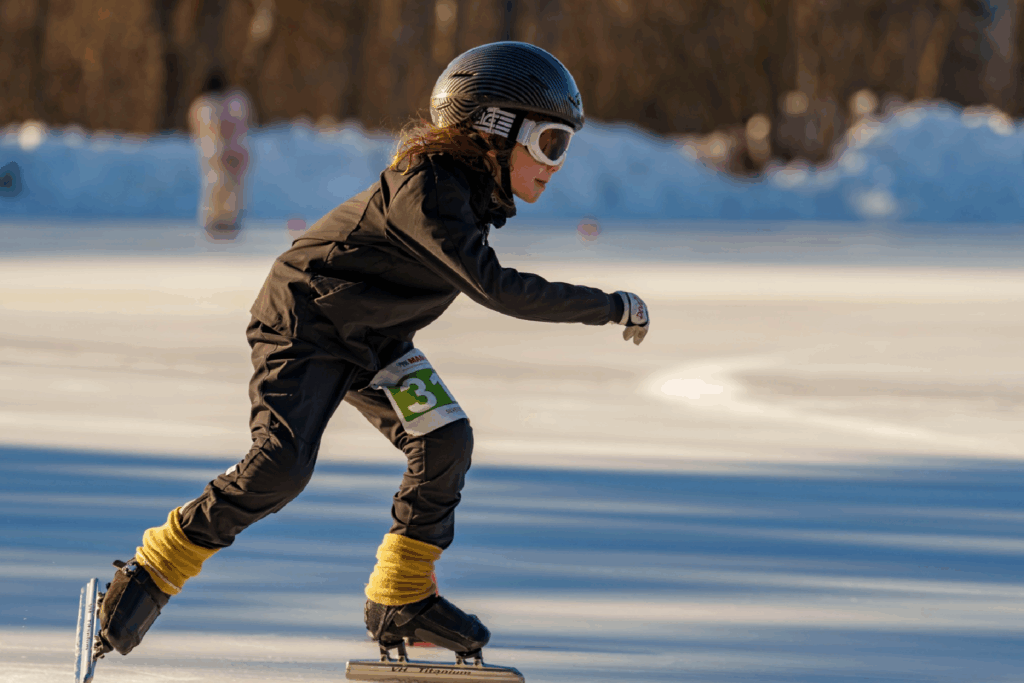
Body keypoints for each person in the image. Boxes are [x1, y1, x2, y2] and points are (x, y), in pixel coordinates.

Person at [94, 41, 650, 661]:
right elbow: (494, 287)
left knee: (444, 440)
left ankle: (402, 597)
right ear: (495, 128)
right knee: (279, 467)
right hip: (304, 325)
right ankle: (150, 570)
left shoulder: (466, 193)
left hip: (374, 341)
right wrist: (608, 304)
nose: (556, 164)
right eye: (551, 144)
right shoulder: (429, 189)